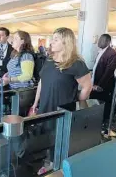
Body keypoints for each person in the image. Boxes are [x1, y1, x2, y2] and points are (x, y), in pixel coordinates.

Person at [31, 27, 92, 175]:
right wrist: (35, 103)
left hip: (61, 110)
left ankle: (57, 167)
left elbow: (87, 87)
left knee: (58, 140)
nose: (52, 42)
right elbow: (42, 82)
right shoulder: (49, 60)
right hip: (45, 106)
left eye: (56, 39)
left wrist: (77, 103)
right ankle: (49, 163)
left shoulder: (76, 63)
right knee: (44, 136)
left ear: (66, 42)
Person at [2, 30, 35, 116]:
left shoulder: (26, 56)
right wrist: (8, 74)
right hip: (16, 91)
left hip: (23, 92)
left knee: (19, 118)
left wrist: (9, 79)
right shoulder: (16, 54)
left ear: (23, 41)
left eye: (16, 38)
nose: (12, 40)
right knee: (14, 117)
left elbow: (27, 75)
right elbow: (16, 70)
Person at [90, 34, 116, 127]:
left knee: (102, 104)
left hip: (104, 85)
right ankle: (94, 120)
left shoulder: (111, 53)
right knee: (94, 102)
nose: (99, 42)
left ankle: (102, 123)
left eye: (102, 40)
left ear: (108, 42)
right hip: (94, 83)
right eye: (99, 40)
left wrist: (100, 85)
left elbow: (109, 71)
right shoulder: (100, 51)